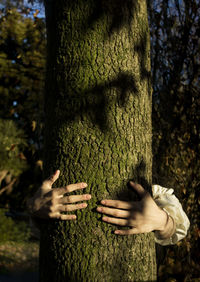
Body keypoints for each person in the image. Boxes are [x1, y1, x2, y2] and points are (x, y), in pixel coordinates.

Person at [27, 170, 190, 246]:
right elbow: (35, 231)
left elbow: (178, 229)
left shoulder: (153, 191)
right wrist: (34, 207)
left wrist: (163, 221)